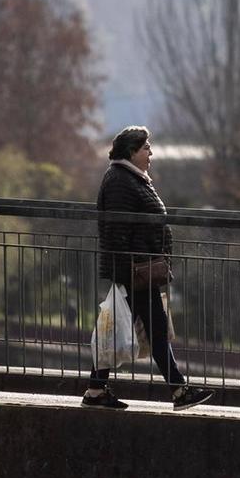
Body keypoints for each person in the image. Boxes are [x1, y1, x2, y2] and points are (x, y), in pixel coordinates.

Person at [82, 125, 213, 410]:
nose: (150, 152)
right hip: (136, 270)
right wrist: (133, 265)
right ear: (132, 151)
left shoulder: (131, 177)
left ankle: (95, 391)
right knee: (155, 330)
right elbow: (117, 229)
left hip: (140, 269)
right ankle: (179, 391)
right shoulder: (120, 180)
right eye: (146, 148)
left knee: (139, 328)